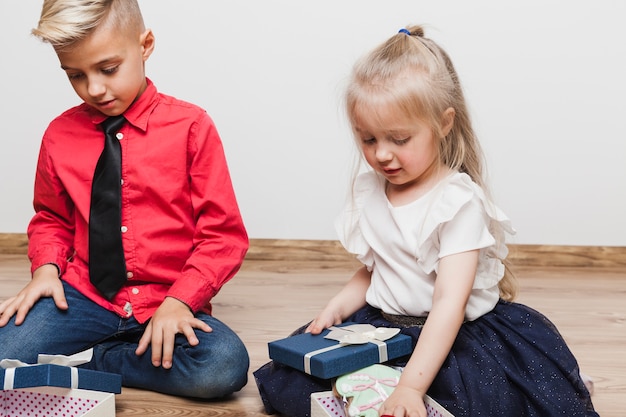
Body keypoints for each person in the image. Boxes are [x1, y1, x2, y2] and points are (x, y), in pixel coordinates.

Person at [254, 25, 598, 417]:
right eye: (368, 140)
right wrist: (338, 306)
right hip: (385, 326)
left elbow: (449, 302)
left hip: (450, 333)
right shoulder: (372, 191)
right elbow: (377, 269)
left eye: (399, 139)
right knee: (304, 382)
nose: (382, 154)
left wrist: (411, 387)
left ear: (444, 123)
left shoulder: (455, 202)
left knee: (478, 400)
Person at [0, 0, 249, 399]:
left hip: (164, 298)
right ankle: (95, 350)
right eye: (76, 75)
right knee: (3, 351)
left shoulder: (191, 127)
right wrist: (46, 270)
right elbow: (51, 218)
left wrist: (180, 301)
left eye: (108, 69)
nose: (94, 88)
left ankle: (95, 359)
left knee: (222, 366)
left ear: (145, 45)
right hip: (85, 296)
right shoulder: (59, 135)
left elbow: (223, 237)